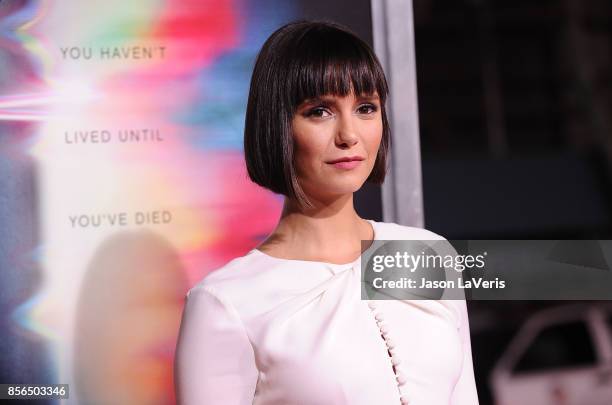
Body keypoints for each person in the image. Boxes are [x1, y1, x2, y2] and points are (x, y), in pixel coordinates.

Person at [174, 20, 479, 404]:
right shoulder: (225, 302)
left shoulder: (427, 254)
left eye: (366, 108)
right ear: (277, 124)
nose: (349, 134)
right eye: (320, 111)